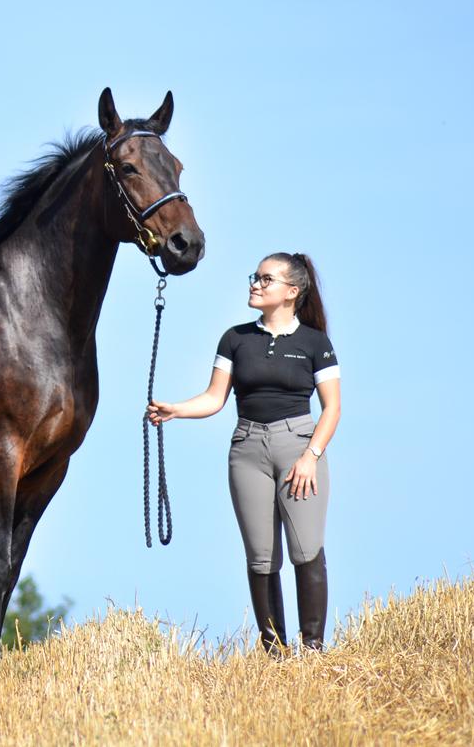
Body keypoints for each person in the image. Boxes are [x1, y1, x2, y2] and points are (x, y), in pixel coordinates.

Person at [148, 252, 340, 654]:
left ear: (292, 292)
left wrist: (311, 456)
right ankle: (274, 652)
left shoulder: (315, 343)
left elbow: (332, 408)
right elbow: (215, 398)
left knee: (306, 548)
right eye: (255, 277)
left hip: (299, 445)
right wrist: (176, 410)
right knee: (260, 556)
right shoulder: (235, 339)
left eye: (266, 279)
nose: (255, 284)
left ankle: (314, 650)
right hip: (247, 448)